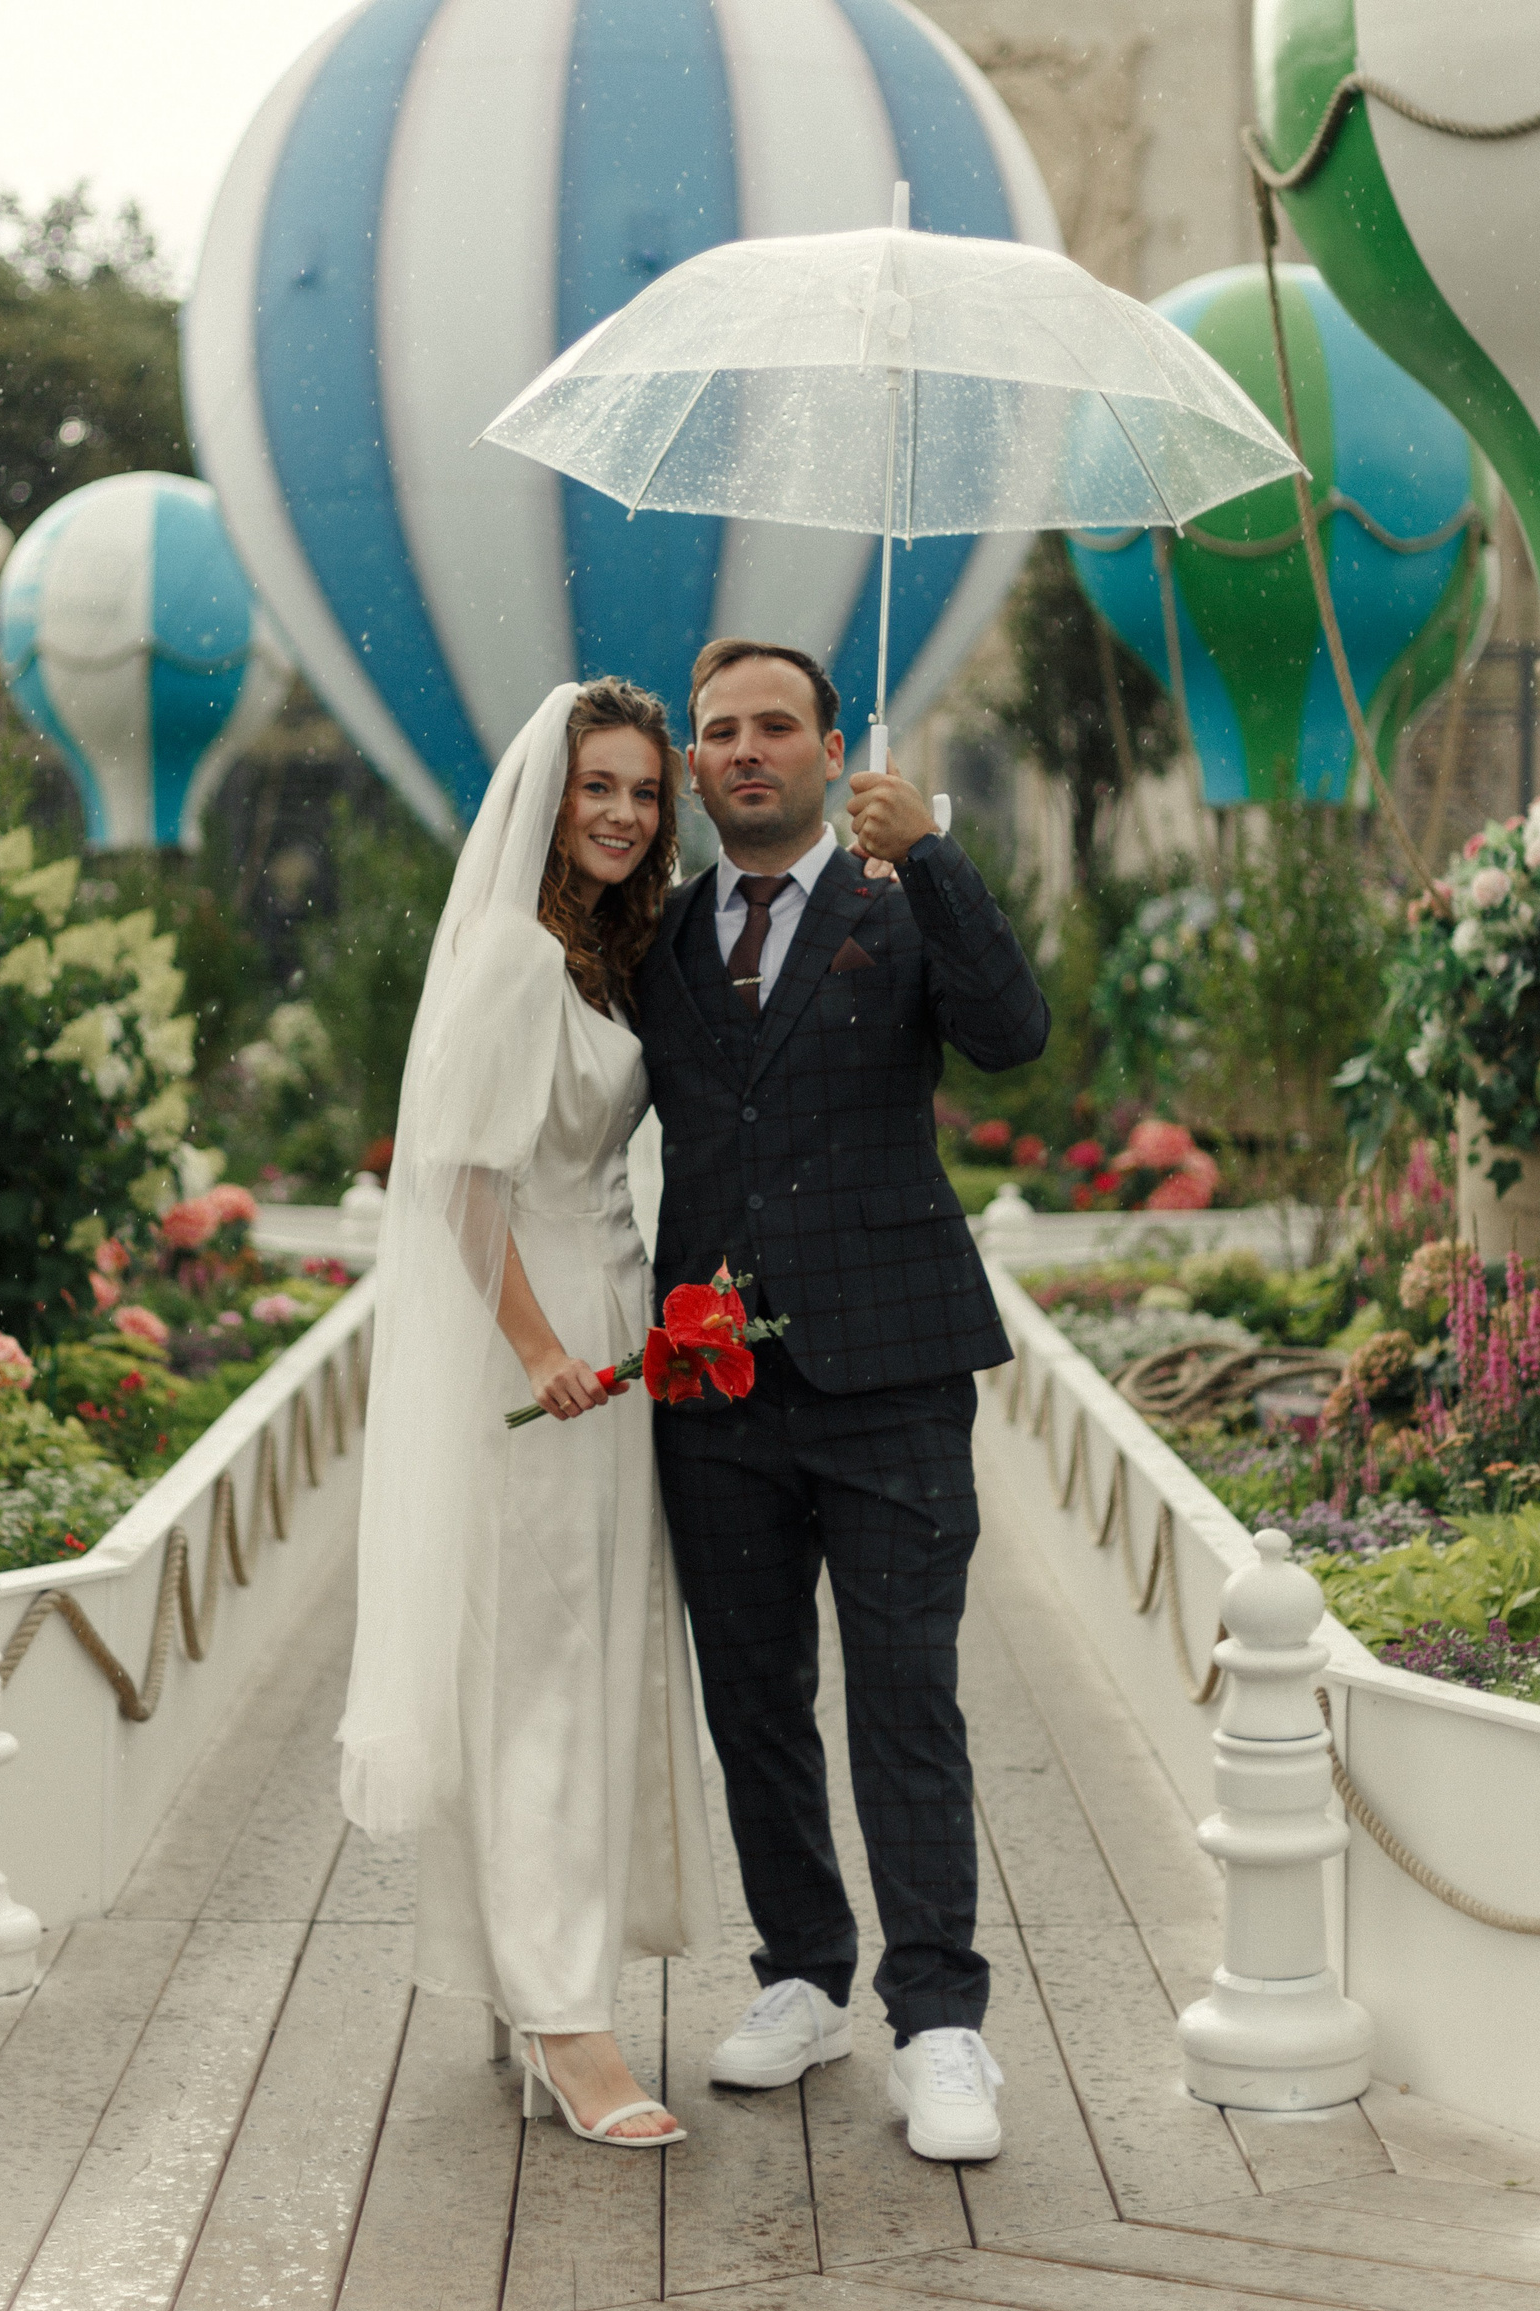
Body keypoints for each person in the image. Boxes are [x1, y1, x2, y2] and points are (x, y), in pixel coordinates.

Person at [636, 638, 1049, 2163]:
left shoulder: (898, 897)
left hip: (894, 1375)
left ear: (829, 748)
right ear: (695, 762)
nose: (746, 750)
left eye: (775, 727)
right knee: (753, 1703)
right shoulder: (660, 939)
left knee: (904, 1700)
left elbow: (1013, 1038)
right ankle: (802, 1975)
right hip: (714, 1386)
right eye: (720, 731)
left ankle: (939, 2022)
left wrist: (932, 854)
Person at [339, 677, 718, 2151]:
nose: (621, 813)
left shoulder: (601, 957)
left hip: (613, 1322)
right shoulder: (510, 957)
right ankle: (568, 2021)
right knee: (544, 1673)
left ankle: (532, 1978)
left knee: (580, 1657)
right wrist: (542, 1346)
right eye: (596, 787)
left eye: (643, 791)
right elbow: (454, 1175)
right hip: (542, 1348)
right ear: (549, 803)